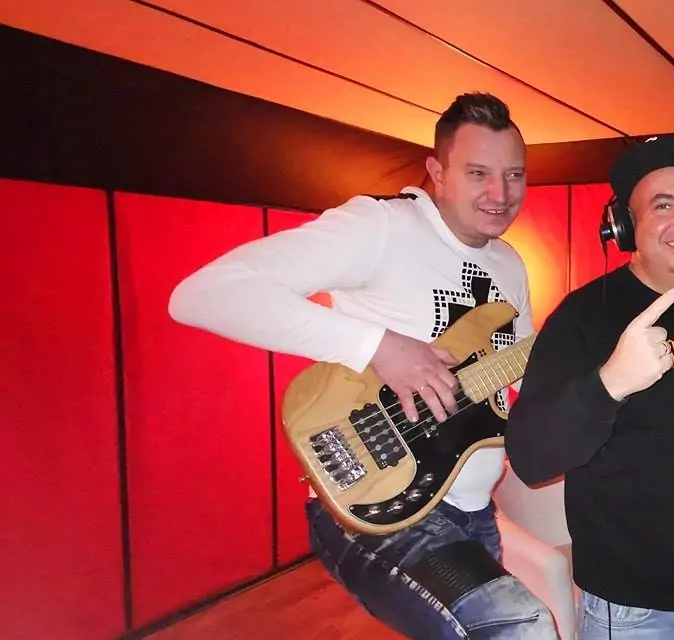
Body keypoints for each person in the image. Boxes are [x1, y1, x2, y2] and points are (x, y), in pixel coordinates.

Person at [169, 92, 558, 639]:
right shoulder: (381, 227)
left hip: (473, 509)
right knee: (519, 625)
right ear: (437, 173)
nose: (500, 193)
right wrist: (378, 345)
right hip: (378, 499)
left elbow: (517, 371)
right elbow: (204, 295)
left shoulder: (510, 264)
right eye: (478, 173)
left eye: (514, 175)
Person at [504, 136, 674, 639]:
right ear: (625, 224)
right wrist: (611, 381)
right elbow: (530, 458)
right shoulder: (582, 318)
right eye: (663, 205)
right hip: (636, 612)